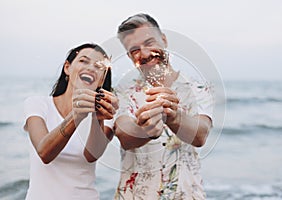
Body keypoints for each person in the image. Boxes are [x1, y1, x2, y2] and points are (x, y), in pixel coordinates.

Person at [113, 13, 214, 199]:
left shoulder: (197, 88)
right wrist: (147, 130)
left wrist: (173, 117)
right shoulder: (122, 91)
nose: (144, 53)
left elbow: (200, 134)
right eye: (135, 50)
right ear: (129, 56)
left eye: (149, 42)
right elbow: (125, 137)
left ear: (164, 40)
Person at [23, 43, 118, 200]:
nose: (91, 68)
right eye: (83, 61)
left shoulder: (105, 115)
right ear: (67, 67)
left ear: (101, 80)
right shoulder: (37, 104)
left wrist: (96, 117)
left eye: (98, 66)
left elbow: (91, 156)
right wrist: (76, 115)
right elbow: (44, 153)